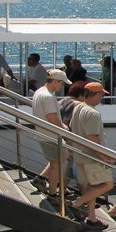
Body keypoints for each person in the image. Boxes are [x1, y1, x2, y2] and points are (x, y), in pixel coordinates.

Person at [69, 82, 116, 229]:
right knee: (107, 184)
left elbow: (71, 128)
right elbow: (93, 138)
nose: (101, 98)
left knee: (93, 188)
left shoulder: (78, 108)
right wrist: (105, 158)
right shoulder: (93, 113)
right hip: (92, 158)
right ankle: (76, 203)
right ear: (95, 95)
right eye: (100, 95)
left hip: (79, 155)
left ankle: (92, 217)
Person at [32, 69, 72, 198]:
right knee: (57, 165)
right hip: (51, 135)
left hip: (44, 133)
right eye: (61, 83)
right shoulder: (48, 96)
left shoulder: (39, 92)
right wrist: (63, 129)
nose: (62, 86)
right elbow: (51, 117)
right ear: (55, 81)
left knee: (63, 155)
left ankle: (41, 178)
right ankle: (53, 193)